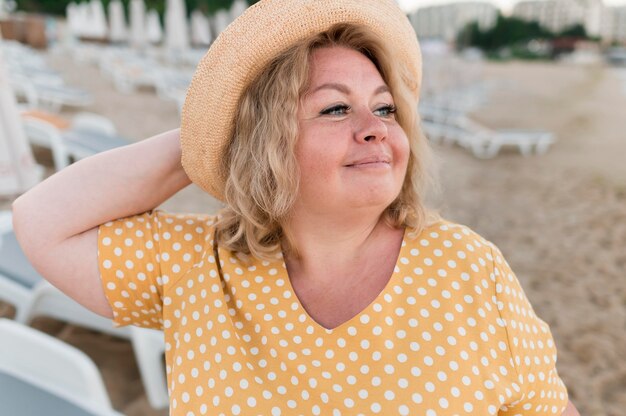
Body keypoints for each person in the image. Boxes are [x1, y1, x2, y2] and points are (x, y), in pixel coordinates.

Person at [12, 0, 579, 414]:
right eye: (335, 110)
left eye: (385, 110)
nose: (374, 130)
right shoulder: (199, 266)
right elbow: (40, 222)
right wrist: (211, 136)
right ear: (266, 140)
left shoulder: (470, 269)